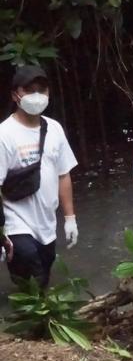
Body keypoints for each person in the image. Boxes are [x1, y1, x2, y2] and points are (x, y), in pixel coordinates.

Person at [0, 65, 77, 288]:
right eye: (29, 90)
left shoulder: (54, 129)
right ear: (15, 95)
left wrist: (70, 218)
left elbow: (63, 174)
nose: (36, 96)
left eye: (41, 90)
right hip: (16, 221)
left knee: (42, 276)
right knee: (31, 271)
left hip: (46, 222)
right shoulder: (4, 134)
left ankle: (39, 320)